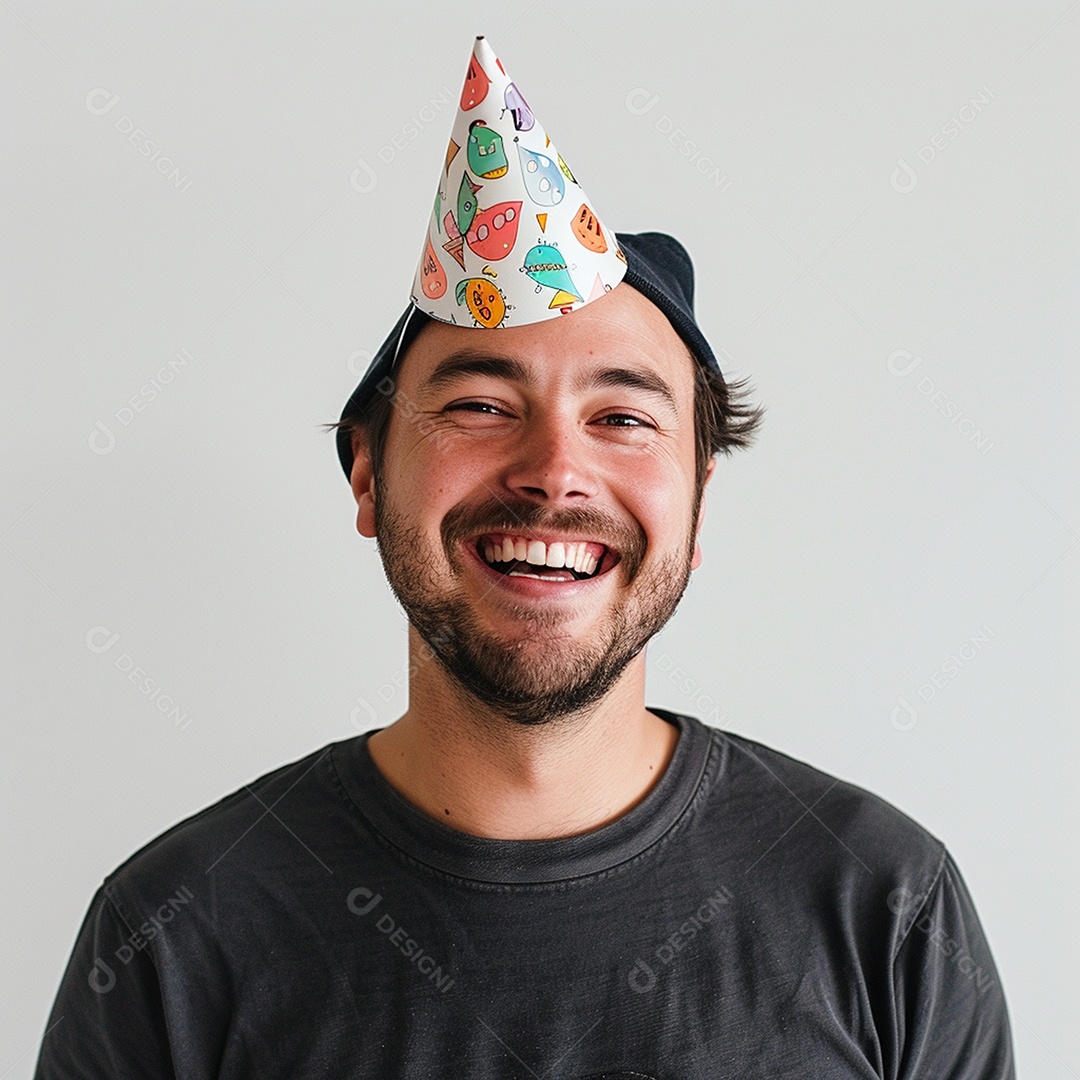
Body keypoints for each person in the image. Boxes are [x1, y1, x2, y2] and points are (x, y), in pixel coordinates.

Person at [35, 36, 1014, 1079]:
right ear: (368, 478)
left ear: (699, 500)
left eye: (623, 419)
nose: (555, 472)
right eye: (480, 405)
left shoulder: (887, 909)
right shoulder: (174, 936)